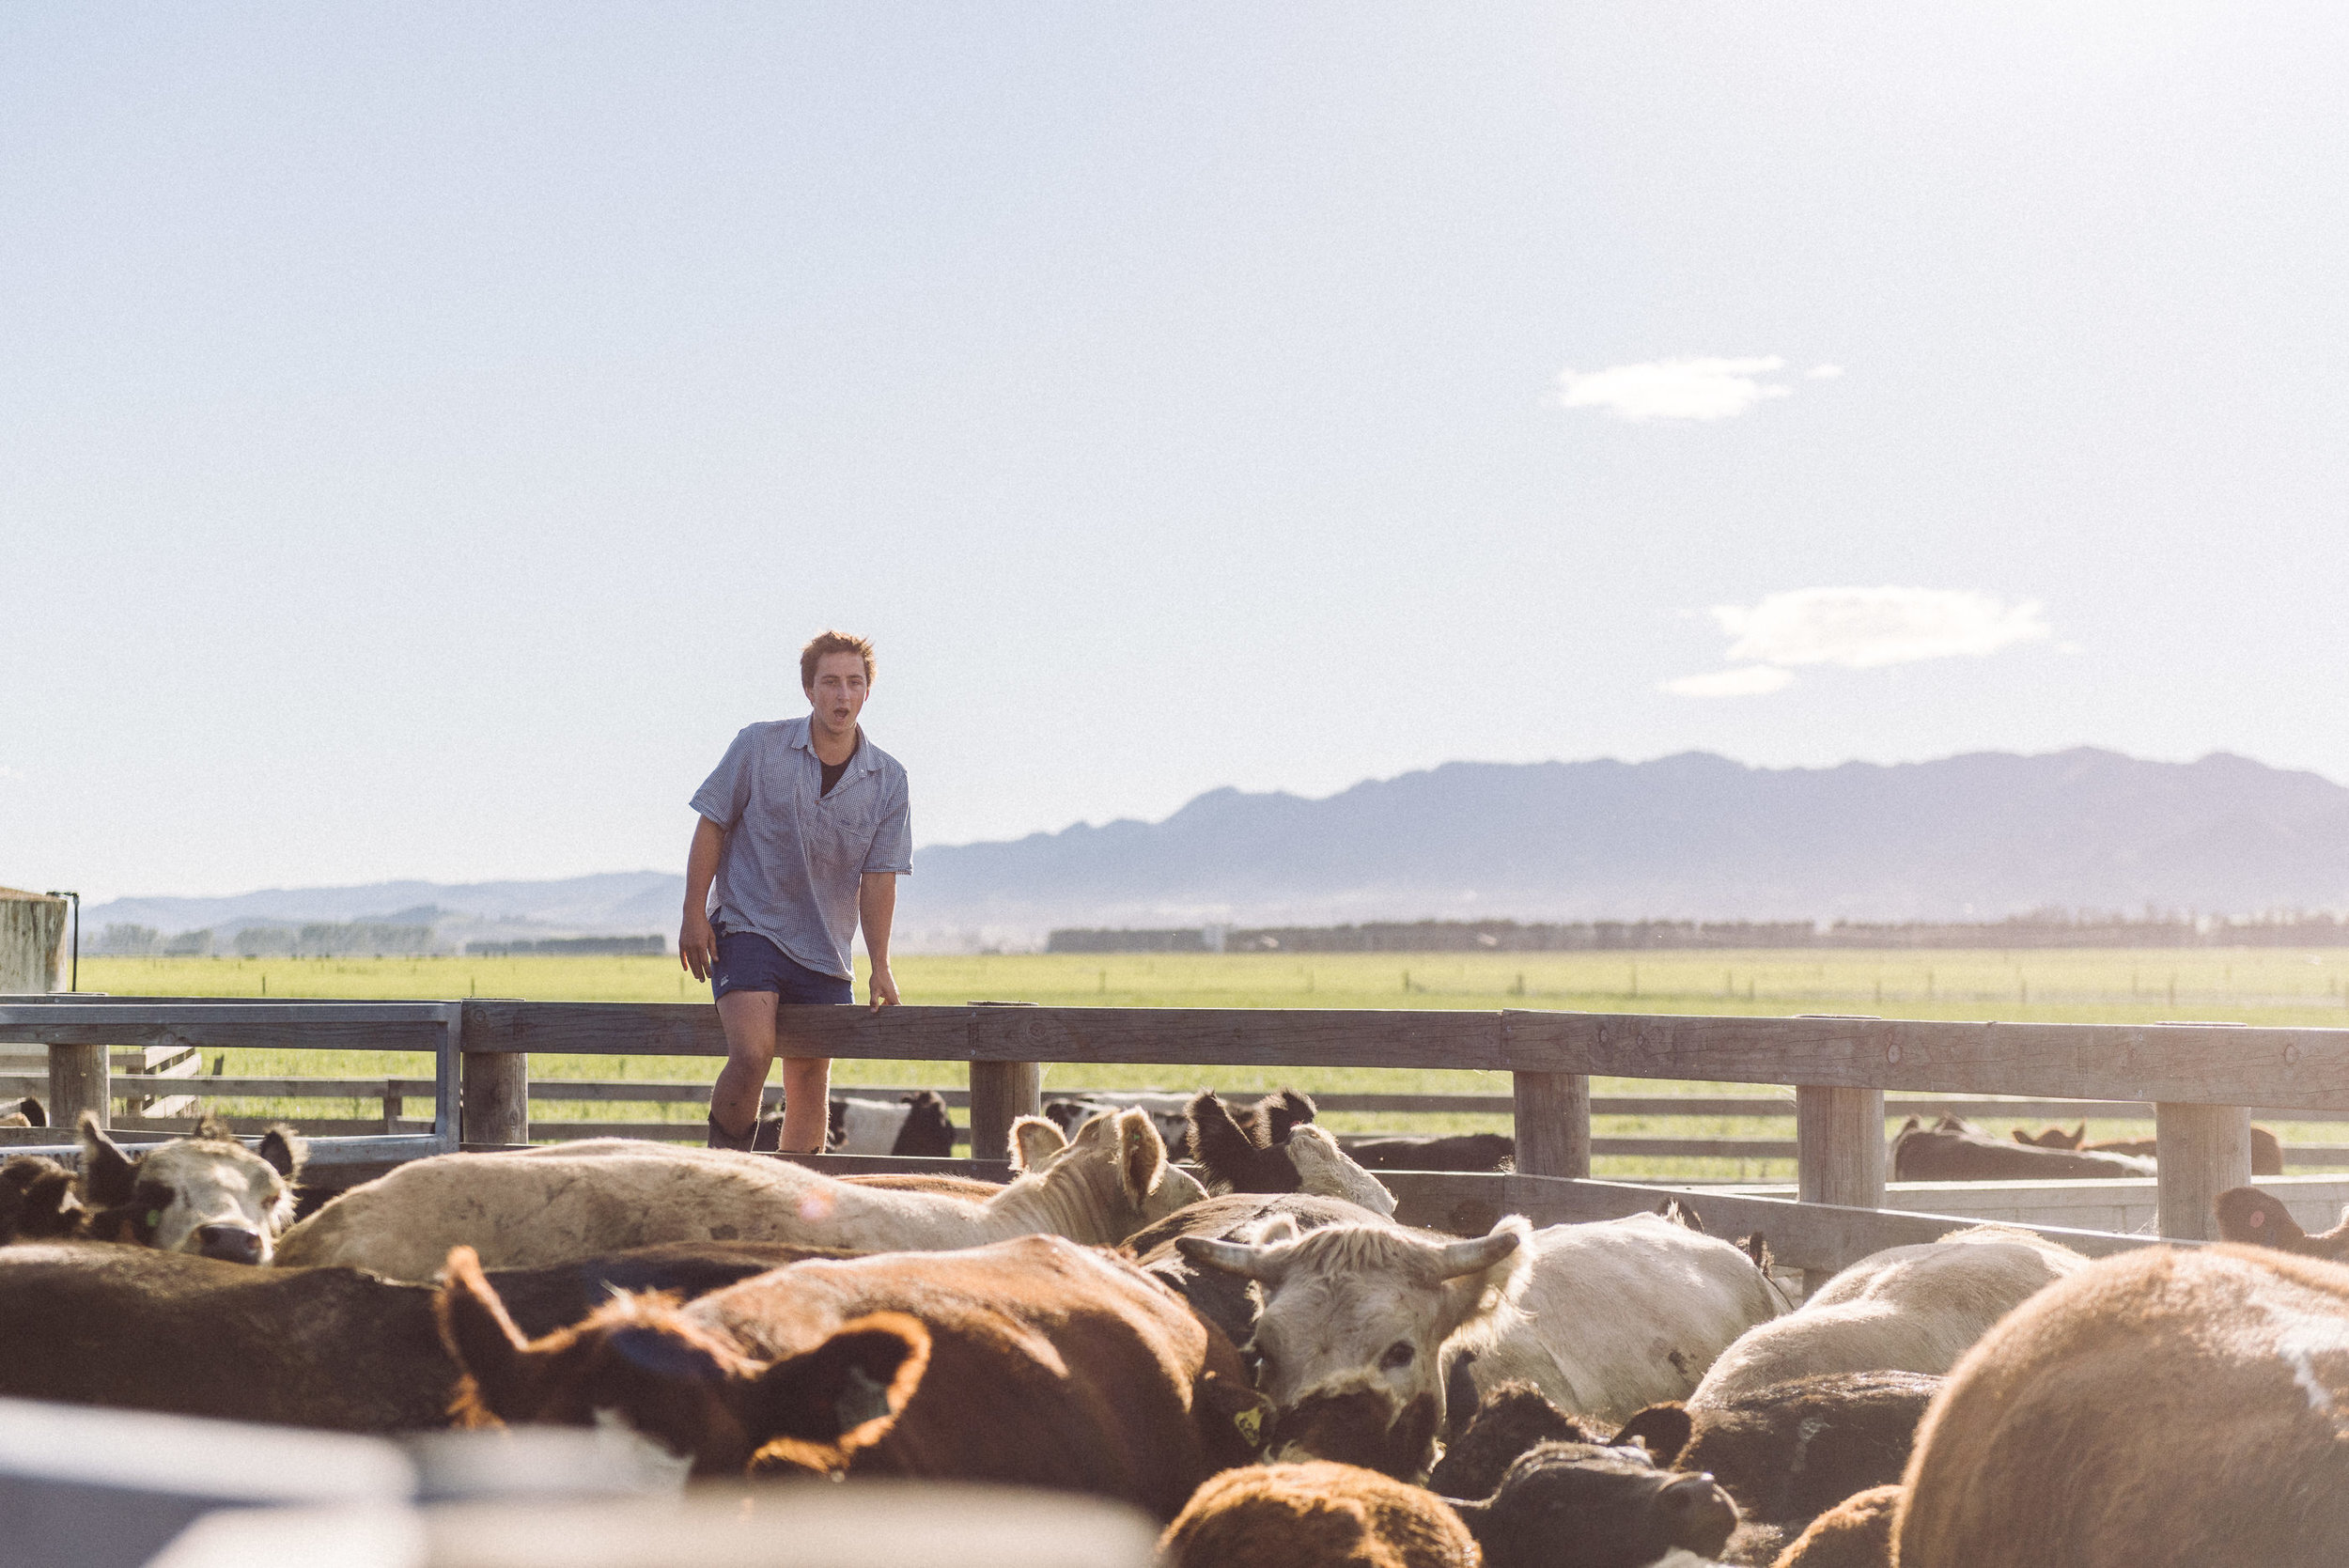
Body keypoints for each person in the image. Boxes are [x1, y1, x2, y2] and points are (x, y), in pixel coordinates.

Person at [678, 629, 911, 1152]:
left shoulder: (888, 779)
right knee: (754, 1053)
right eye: (830, 682)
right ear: (809, 689)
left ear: (868, 692)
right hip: (747, 925)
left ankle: (790, 1203)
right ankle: (728, 1176)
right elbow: (711, 823)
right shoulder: (758, 746)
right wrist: (694, 913)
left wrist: (881, 963)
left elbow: (879, 878)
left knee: (809, 1081)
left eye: (854, 682)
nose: (842, 695)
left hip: (825, 946)